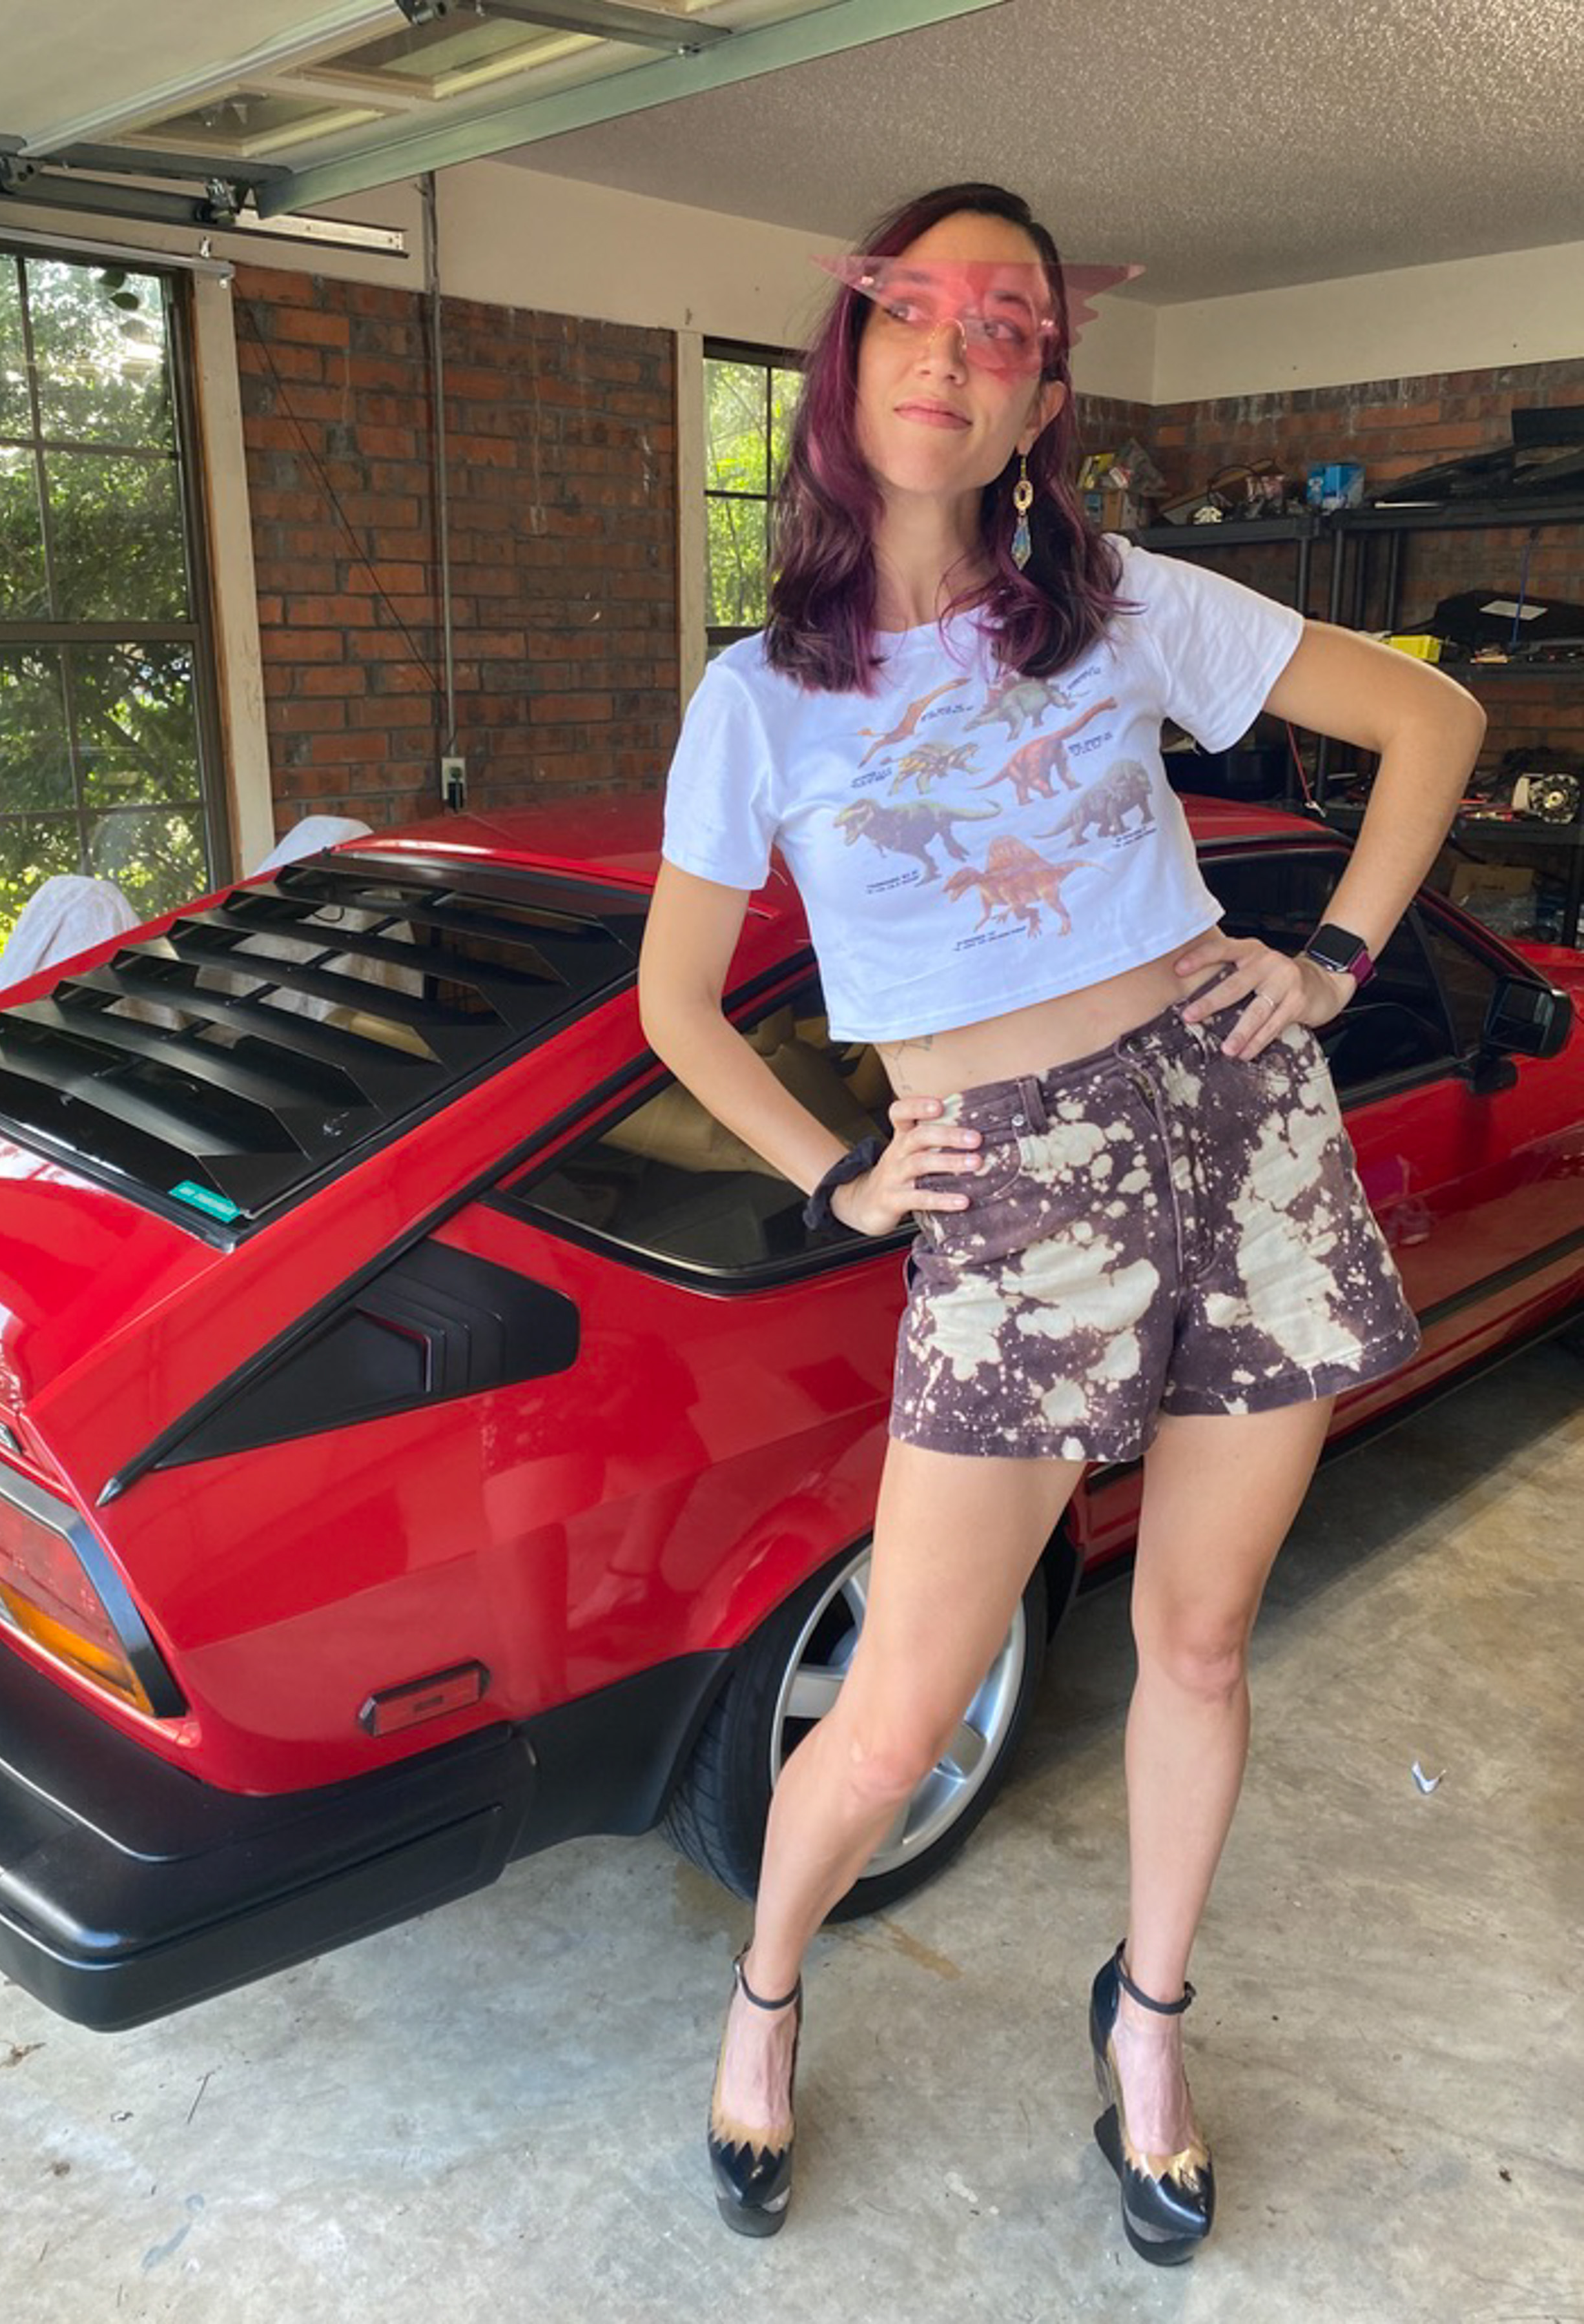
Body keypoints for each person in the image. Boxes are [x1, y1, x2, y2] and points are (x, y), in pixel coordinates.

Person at [637, 181, 1486, 2263]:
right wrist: (837, 1173)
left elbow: (1432, 722)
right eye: (911, 313)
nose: (950, 350)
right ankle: (764, 1996)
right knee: (899, 1710)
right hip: (1010, 1191)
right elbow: (675, 1004)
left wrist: (1332, 962)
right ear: (846, 363)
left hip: (1242, 1134)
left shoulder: (1120, 608)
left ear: (1037, 401)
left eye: (1003, 325)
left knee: (1193, 1638)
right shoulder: (757, 698)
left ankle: (1148, 2022)